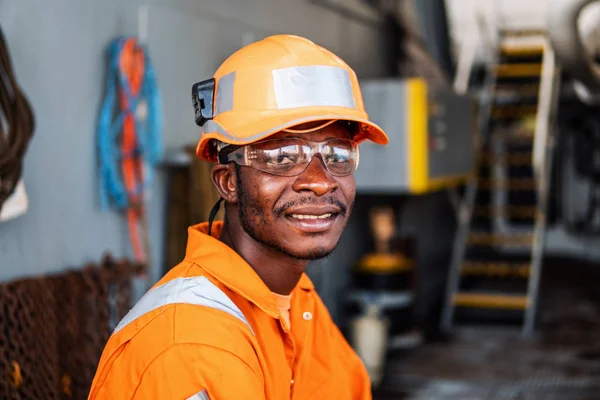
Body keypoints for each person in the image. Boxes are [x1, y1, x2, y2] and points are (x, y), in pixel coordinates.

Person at [88, 34, 388, 399]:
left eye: (338, 156)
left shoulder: (297, 301)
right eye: (282, 156)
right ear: (228, 181)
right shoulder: (186, 345)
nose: (320, 182)